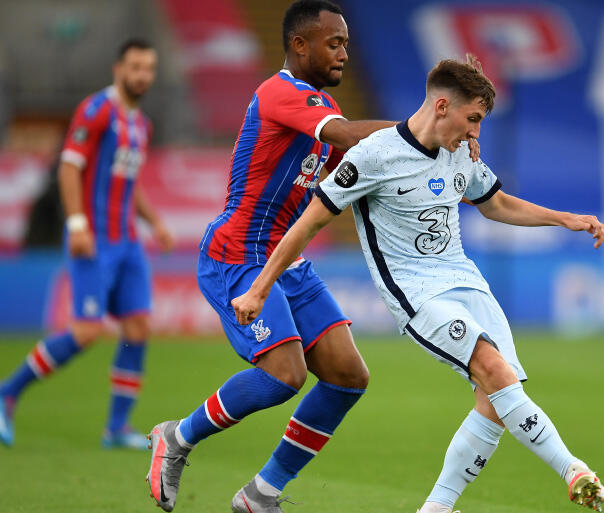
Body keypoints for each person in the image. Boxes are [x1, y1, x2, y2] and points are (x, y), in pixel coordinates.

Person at [231, 56, 604, 512]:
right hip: (417, 292)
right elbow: (309, 222)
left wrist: (565, 219)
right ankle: (574, 471)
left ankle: (435, 509)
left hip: (467, 282)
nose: (475, 133)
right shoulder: (373, 156)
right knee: (494, 370)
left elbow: (495, 204)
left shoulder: (460, 152)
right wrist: (259, 288)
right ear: (442, 106)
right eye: (473, 119)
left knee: (496, 400)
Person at [144, 2, 482, 512]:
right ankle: (177, 436)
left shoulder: (322, 106)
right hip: (237, 255)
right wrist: (428, 126)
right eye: (334, 43)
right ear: (300, 45)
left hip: (288, 259)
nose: (344, 53)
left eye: (346, 43)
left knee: (348, 376)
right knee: (285, 374)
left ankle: (261, 493)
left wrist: (451, 151)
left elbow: (369, 164)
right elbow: (347, 136)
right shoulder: (281, 93)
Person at [0, 38, 173, 450]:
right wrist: (77, 224)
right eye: (135, 67)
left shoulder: (142, 124)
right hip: (94, 239)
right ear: (118, 69)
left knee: (138, 327)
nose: (142, 76)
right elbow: (68, 167)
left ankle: (117, 428)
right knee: (86, 331)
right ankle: (7, 393)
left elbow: (129, 184)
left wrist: (155, 223)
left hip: (127, 241)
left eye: (149, 68)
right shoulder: (97, 111)